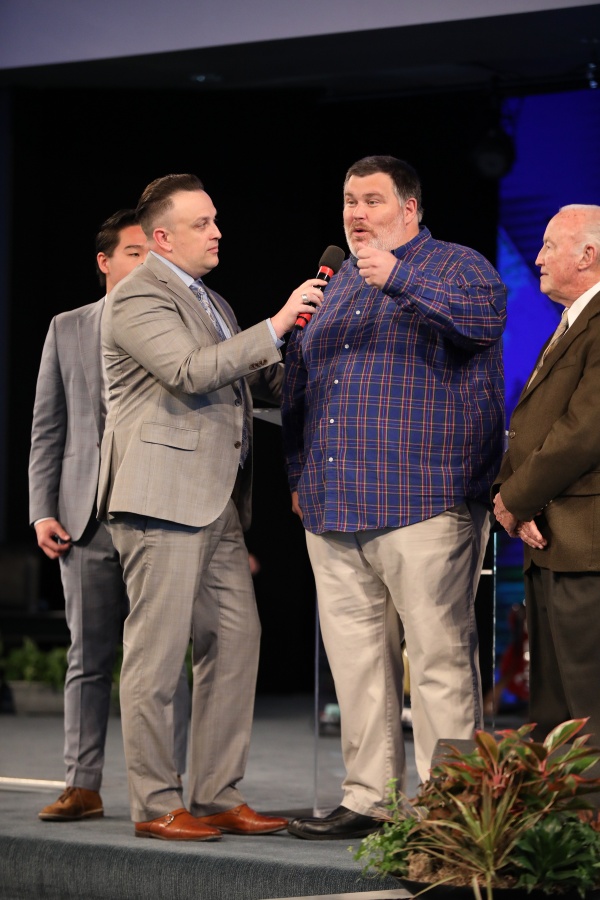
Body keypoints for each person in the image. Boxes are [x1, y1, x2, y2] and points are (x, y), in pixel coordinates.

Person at [282, 155, 507, 840]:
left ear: (410, 208)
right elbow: (301, 388)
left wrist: (399, 277)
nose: (356, 213)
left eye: (372, 200)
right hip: (334, 505)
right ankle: (369, 798)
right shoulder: (337, 283)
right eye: (349, 200)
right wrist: (298, 476)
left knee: (438, 660)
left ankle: (452, 808)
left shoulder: (455, 265)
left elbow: (483, 321)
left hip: (424, 498)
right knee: (356, 665)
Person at [97, 173, 324, 841]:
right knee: (157, 656)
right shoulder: (138, 296)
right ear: (162, 238)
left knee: (236, 641)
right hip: (161, 498)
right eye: (202, 223)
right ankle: (155, 803)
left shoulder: (213, 299)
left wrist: (308, 351)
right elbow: (190, 371)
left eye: (215, 219)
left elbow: (247, 380)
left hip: (218, 501)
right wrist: (276, 323)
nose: (217, 232)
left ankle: (216, 793)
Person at [29, 209, 190, 822]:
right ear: (105, 261)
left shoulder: (175, 324)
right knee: (88, 657)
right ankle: (83, 784)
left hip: (156, 509)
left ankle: (170, 787)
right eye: (133, 253)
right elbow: (49, 428)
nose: (146, 263)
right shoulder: (67, 327)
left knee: (165, 659)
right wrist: (42, 510)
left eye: (153, 254)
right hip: (83, 518)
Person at [493, 204, 600, 755]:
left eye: (550, 246)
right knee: (554, 709)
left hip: (585, 544)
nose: (537, 258)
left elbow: (583, 431)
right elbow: (531, 423)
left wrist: (515, 499)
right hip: (550, 540)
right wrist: (510, 497)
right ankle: (562, 806)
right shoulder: (571, 322)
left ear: (588, 255)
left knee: (587, 707)